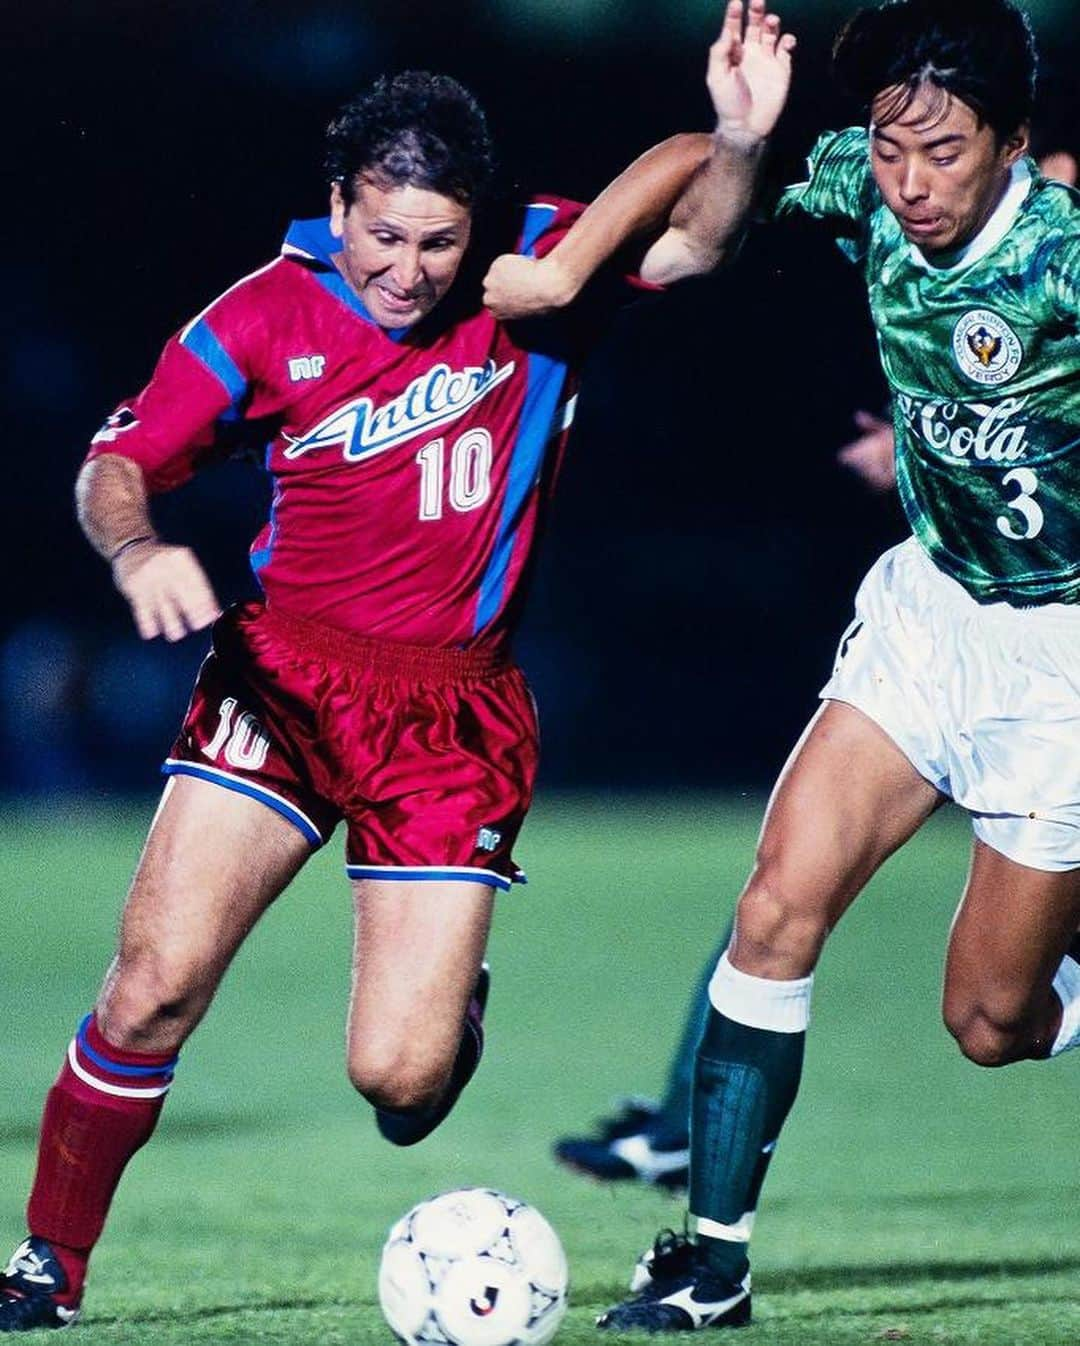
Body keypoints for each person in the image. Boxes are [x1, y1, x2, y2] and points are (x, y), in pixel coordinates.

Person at [0, 68, 748, 1331]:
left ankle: (454, 999)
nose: (407, 269)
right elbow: (115, 464)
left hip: (450, 718)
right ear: (337, 205)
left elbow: (697, 214)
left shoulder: (538, 266)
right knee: (152, 984)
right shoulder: (259, 316)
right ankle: (46, 1266)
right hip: (278, 680)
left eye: (439, 241)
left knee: (402, 1084)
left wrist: (727, 138)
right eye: (384, 235)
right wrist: (137, 548)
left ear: (481, 223)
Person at [595, 0, 1080, 1331]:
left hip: (1065, 667)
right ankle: (713, 1262)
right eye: (891, 151)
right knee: (774, 905)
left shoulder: (1066, 262)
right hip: (932, 617)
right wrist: (744, 133)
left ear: (1017, 144)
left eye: (946, 152)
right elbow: (711, 224)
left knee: (988, 1021)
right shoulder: (862, 187)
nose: (911, 184)